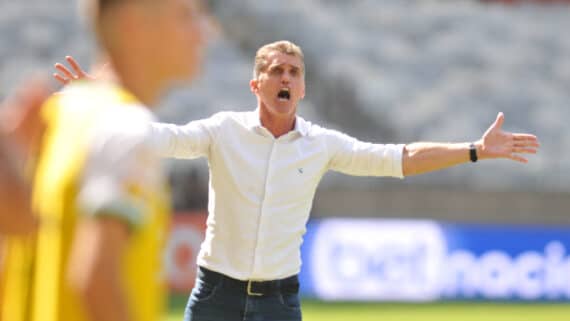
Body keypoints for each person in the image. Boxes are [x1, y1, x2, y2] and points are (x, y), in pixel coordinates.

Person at [54, 40, 540, 321]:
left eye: (294, 72)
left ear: (303, 87)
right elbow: (159, 138)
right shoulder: (223, 131)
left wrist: (476, 150)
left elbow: (400, 158)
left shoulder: (322, 144)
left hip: (278, 303)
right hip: (215, 297)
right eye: (276, 71)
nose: (286, 78)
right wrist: (101, 104)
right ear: (257, 84)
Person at [2, 1, 207, 321]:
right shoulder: (126, 127)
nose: (203, 33)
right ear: (134, 26)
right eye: (186, 16)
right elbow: (95, 278)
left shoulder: (58, 116)